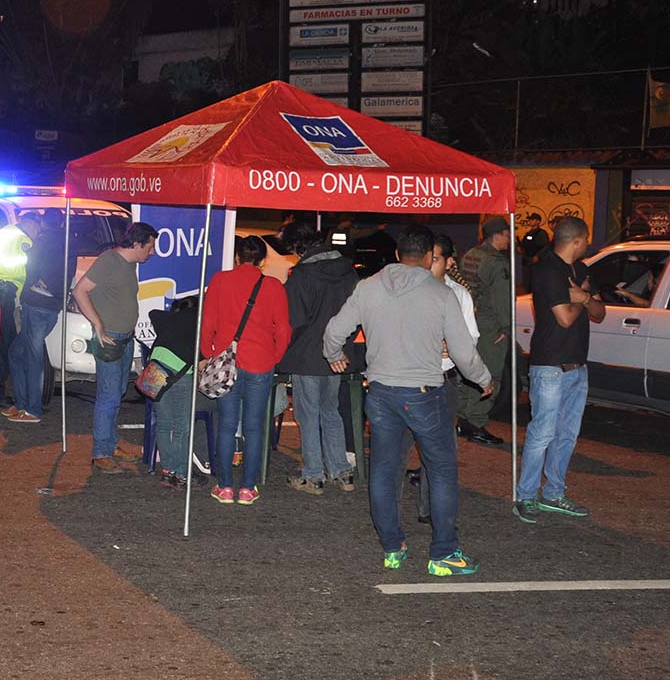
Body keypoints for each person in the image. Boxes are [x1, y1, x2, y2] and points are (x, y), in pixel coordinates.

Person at [324, 225, 493, 576]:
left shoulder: (367, 287)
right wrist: (483, 379)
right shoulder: (441, 295)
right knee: (442, 470)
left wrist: (333, 354)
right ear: (430, 256)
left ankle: (393, 547)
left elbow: (334, 331)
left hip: (381, 392)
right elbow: (463, 352)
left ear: (398, 255)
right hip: (423, 394)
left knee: (384, 471)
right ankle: (443, 553)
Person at [513, 216, 605, 524]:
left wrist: (584, 296)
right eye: (586, 239)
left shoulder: (583, 270)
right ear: (577, 240)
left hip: (578, 365)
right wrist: (581, 298)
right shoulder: (547, 271)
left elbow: (600, 312)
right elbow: (565, 318)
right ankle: (526, 496)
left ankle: (553, 493)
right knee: (542, 434)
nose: (588, 244)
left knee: (568, 435)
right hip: (550, 366)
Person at [201, 235, 291, 506]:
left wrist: (209, 354)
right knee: (254, 428)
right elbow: (284, 329)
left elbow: (208, 323)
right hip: (261, 363)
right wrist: (274, 357)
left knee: (227, 426)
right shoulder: (274, 286)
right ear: (263, 261)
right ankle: (248, 488)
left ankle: (225, 486)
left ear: (237, 257)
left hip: (228, 363)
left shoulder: (220, 281)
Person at [400, 234, 480, 524]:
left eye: (434, 259)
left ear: (448, 262)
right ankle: (388, 514)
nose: (428, 264)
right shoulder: (407, 289)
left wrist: (453, 346)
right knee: (399, 450)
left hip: (443, 378)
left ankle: (431, 510)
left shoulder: (458, 294)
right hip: (407, 378)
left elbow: (470, 337)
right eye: (426, 258)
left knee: (440, 452)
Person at [71, 222, 158, 474]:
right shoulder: (109, 260)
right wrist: (97, 323)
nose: (152, 252)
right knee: (108, 396)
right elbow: (80, 291)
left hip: (125, 338)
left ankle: (109, 444)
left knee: (117, 392)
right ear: (138, 243)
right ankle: (101, 453)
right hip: (110, 339)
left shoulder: (129, 264)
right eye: (150, 246)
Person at [278, 223, 358, 496]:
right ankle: (341, 471)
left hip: (307, 355)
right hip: (337, 354)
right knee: (331, 411)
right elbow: (357, 314)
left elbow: (293, 320)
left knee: (308, 414)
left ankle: (313, 474)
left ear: (296, 247)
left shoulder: (302, 275)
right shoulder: (349, 272)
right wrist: (341, 345)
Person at [6, 208, 72, 423]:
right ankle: (22, 404)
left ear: (43, 222)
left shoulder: (44, 240)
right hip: (51, 305)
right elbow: (68, 273)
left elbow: (32, 268)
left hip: (37, 303)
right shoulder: (69, 241)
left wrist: (33, 287)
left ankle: (32, 409)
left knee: (32, 358)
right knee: (17, 353)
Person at [457, 216, 512, 446]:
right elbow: (502, 299)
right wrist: (507, 327)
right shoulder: (497, 263)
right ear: (497, 235)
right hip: (491, 326)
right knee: (490, 375)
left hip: (470, 320)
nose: (510, 239)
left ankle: (462, 419)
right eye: (507, 234)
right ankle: (476, 424)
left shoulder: (470, 255)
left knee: (469, 372)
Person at [0, 213, 41, 408]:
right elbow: (30, 268)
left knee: (5, 344)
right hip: (0, 293)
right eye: (38, 230)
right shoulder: (21, 239)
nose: (37, 235)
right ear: (30, 224)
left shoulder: (6, 233)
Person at [146, 295, 206, 489]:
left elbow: (153, 313)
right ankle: (181, 474)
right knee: (181, 427)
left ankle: (167, 472)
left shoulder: (166, 322)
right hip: (180, 376)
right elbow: (202, 359)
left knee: (164, 425)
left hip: (155, 373)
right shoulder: (196, 325)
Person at [519, 212, 550, 292]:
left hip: (537, 263)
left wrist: (538, 256)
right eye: (530, 219)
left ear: (538, 221)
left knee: (536, 284)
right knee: (527, 284)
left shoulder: (541, 234)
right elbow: (524, 244)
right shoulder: (528, 234)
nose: (530, 221)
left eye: (532, 219)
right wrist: (520, 248)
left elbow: (546, 247)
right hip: (527, 262)